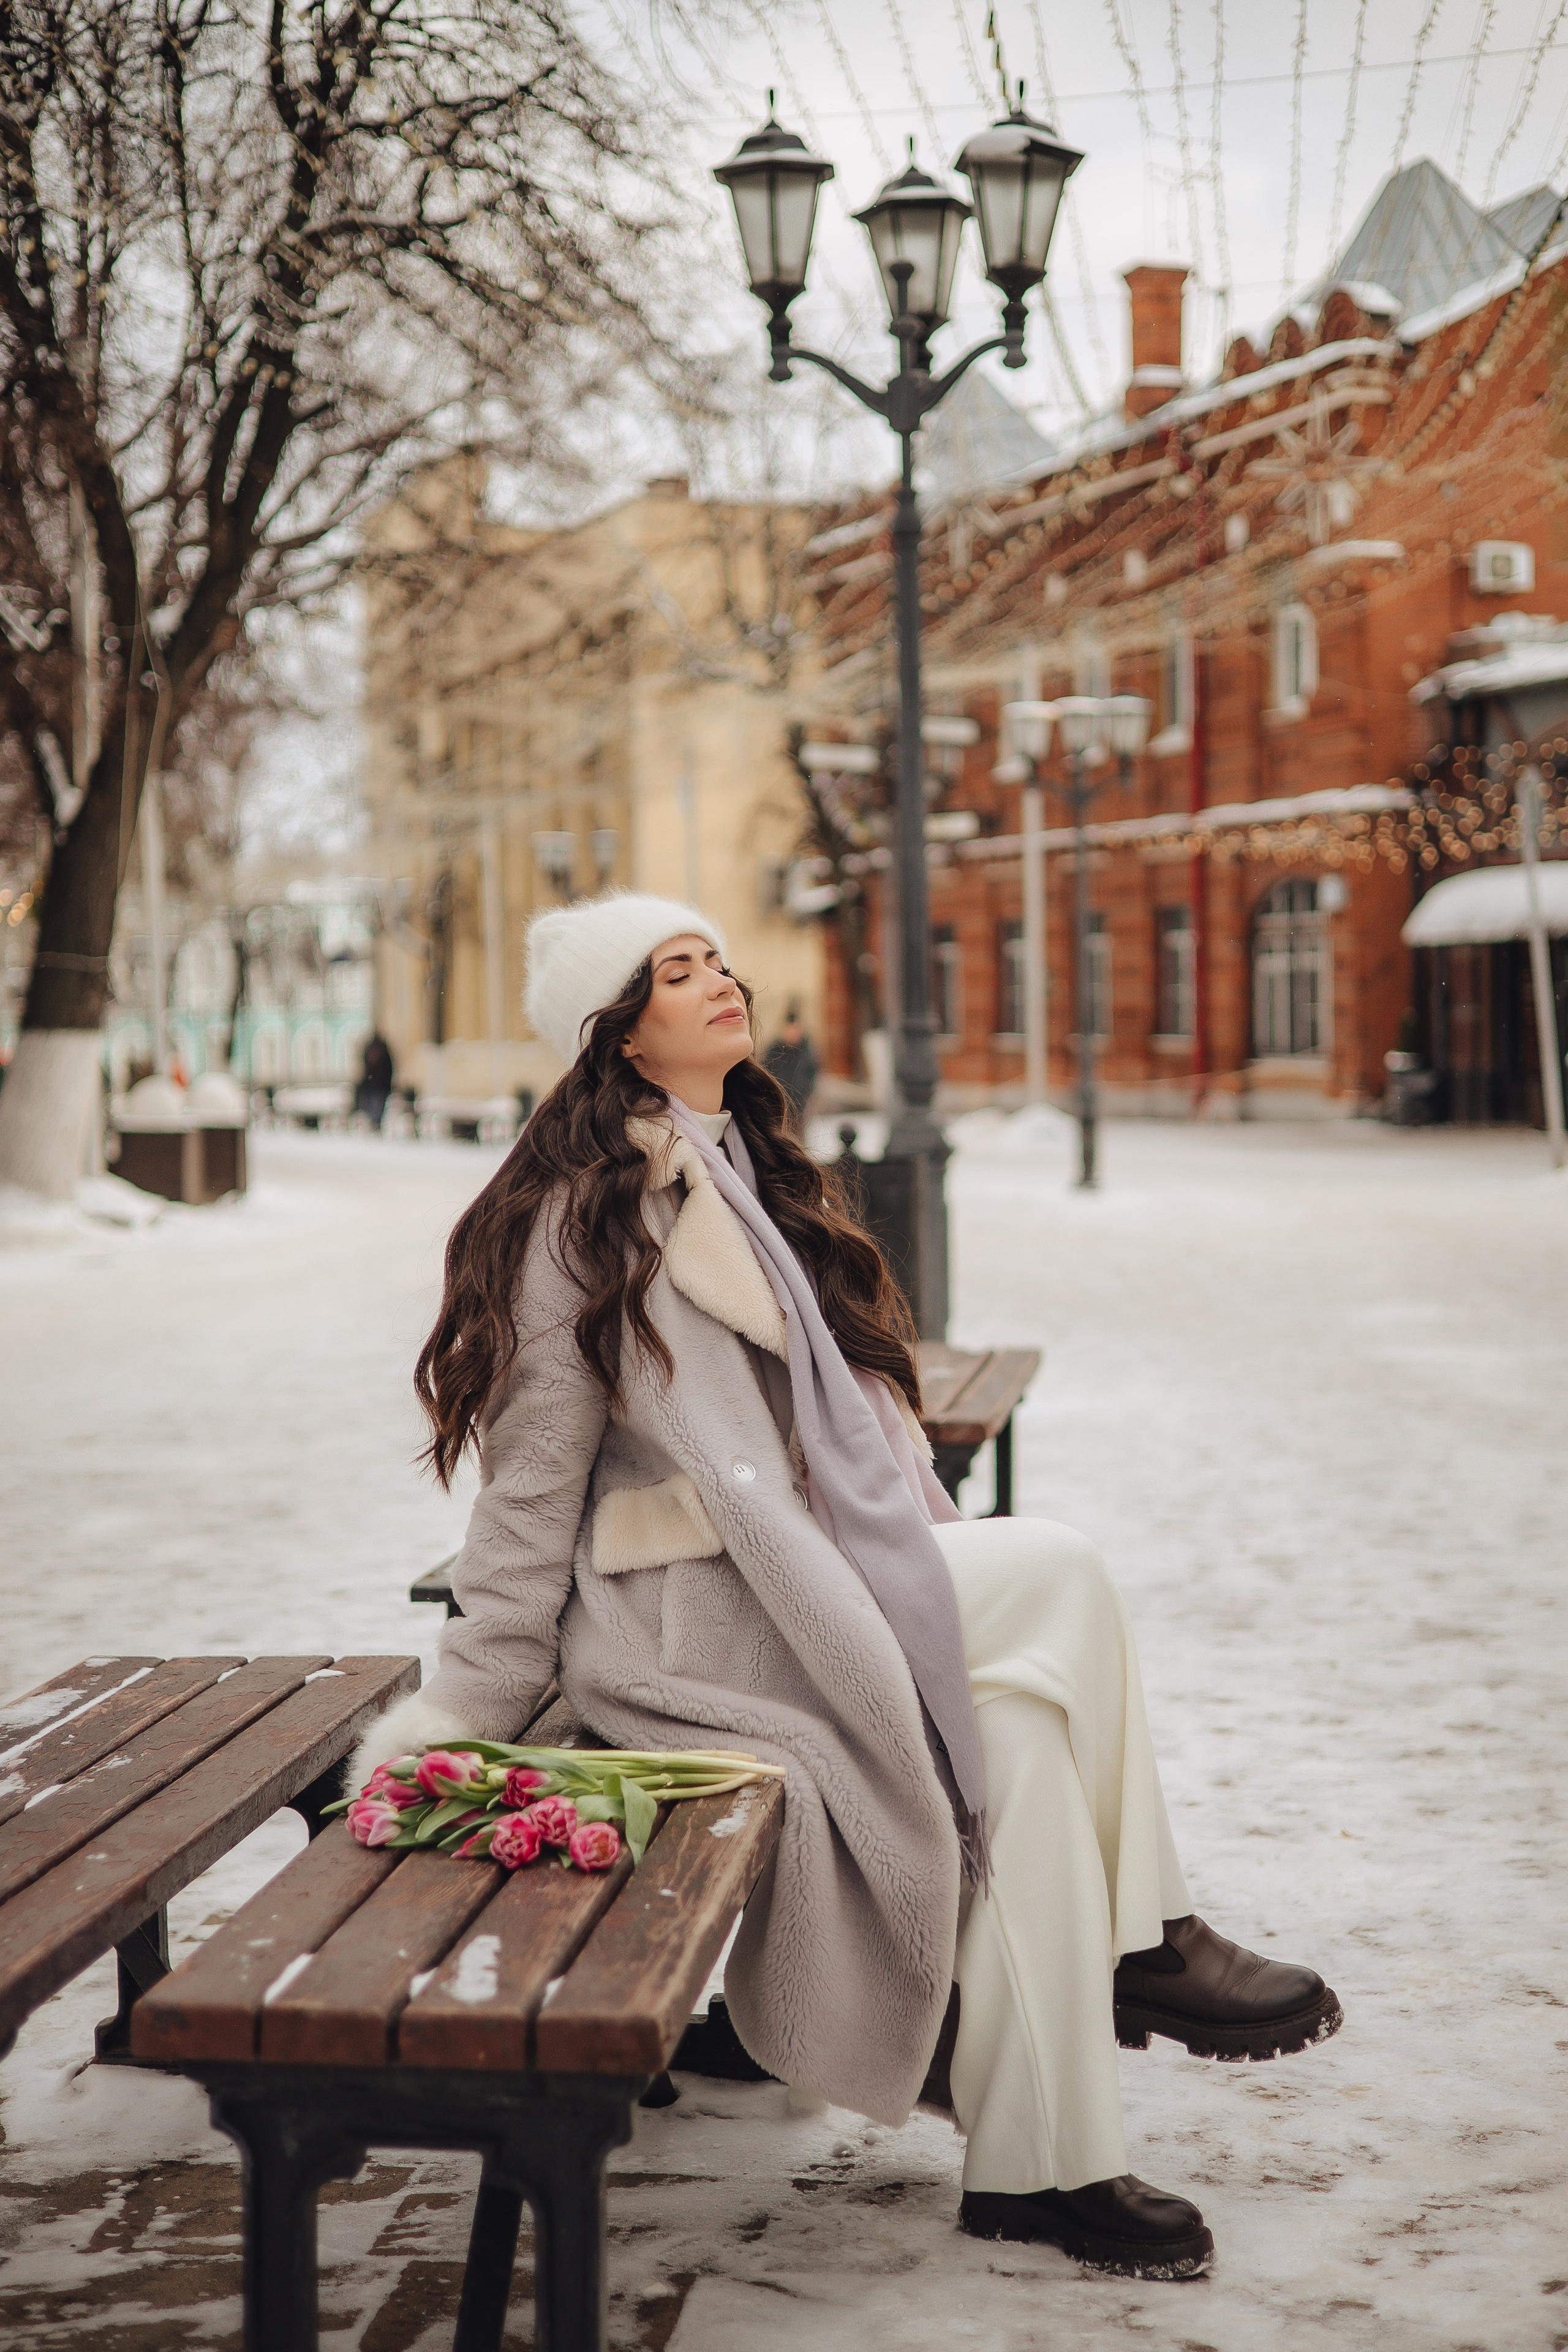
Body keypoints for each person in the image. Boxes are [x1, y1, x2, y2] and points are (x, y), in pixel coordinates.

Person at [350, 891, 1341, 2282]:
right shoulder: (581, 1217)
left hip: (805, 1589)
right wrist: (456, 1725)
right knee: (1053, 1567)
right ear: (617, 1036)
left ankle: (1038, 2167)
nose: (715, 982)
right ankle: (1146, 1939)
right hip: (691, 1632)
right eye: (672, 971)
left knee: (1033, 1751)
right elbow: (524, 1497)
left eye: (713, 959)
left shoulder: (731, 1165)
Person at [762, 1005, 818, 1129]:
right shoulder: (775, 1051)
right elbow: (765, 1072)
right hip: (778, 1104)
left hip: (800, 1104)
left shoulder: (806, 1050)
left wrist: (806, 1093)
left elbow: (813, 1073)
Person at [356, 1031, 394, 1129]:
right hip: (376, 1086)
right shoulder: (383, 1055)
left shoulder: (382, 1060)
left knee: (377, 1106)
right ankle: (373, 1123)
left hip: (379, 1086)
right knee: (373, 1106)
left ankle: (375, 1123)